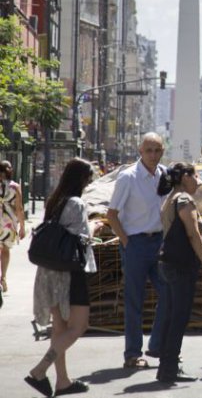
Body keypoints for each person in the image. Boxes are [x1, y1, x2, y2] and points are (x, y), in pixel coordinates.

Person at [25, 158, 100, 397]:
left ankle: (63, 381)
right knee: (78, 326)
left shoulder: (55, 200)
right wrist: (95, 227)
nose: (89, 183)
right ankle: (40, 370)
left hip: (50, 272)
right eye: (88, 179)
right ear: (80, 179)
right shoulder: (77, 203)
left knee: (60, 329)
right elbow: (81, 239)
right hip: (71, 273)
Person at [106, 132, 168, 369]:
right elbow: (111, 215)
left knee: (168, 293)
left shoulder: (164, 176)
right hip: (136, 244)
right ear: (140, 152)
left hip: (159, 242)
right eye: (149, 150)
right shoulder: (128, 177)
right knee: (135, 301)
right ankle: (132, 354)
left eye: (157, 150)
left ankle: (157, 345)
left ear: (162, 151)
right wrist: (126, 242)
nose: (153, 155)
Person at [155, 163, 202, 383]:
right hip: (181, 265)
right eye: (196, 175)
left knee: (172, 316)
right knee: (178, 318)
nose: (198, 180)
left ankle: (167, 366)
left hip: (169, 263)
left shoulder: (171, 198)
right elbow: (193, 234)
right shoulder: (184, 200)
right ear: (186, 177)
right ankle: (169, 368)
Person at [0, 160, 25, 293]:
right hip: (9, 223)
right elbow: (19, 208)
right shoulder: (15, 187)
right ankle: (3, 277)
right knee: (5, 249)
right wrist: (22, 226)